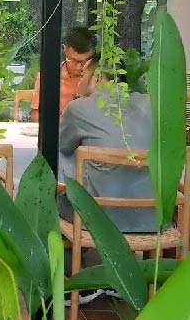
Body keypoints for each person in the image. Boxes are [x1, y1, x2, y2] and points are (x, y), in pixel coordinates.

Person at [57, 56, 155, 232]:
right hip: (151, 218)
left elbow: (61, 147)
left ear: (97, 78)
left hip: (99, 219)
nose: (80, 82)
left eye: (83, 76)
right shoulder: (151, 105)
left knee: (50, 194)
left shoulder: (78, 108)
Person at [31, 25, 96, 121]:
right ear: (64, 48)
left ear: (93, 52)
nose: (79, 67)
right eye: (74, 61)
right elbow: (37, 113)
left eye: (85, 62)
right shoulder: (49, 76)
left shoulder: (98, 78)